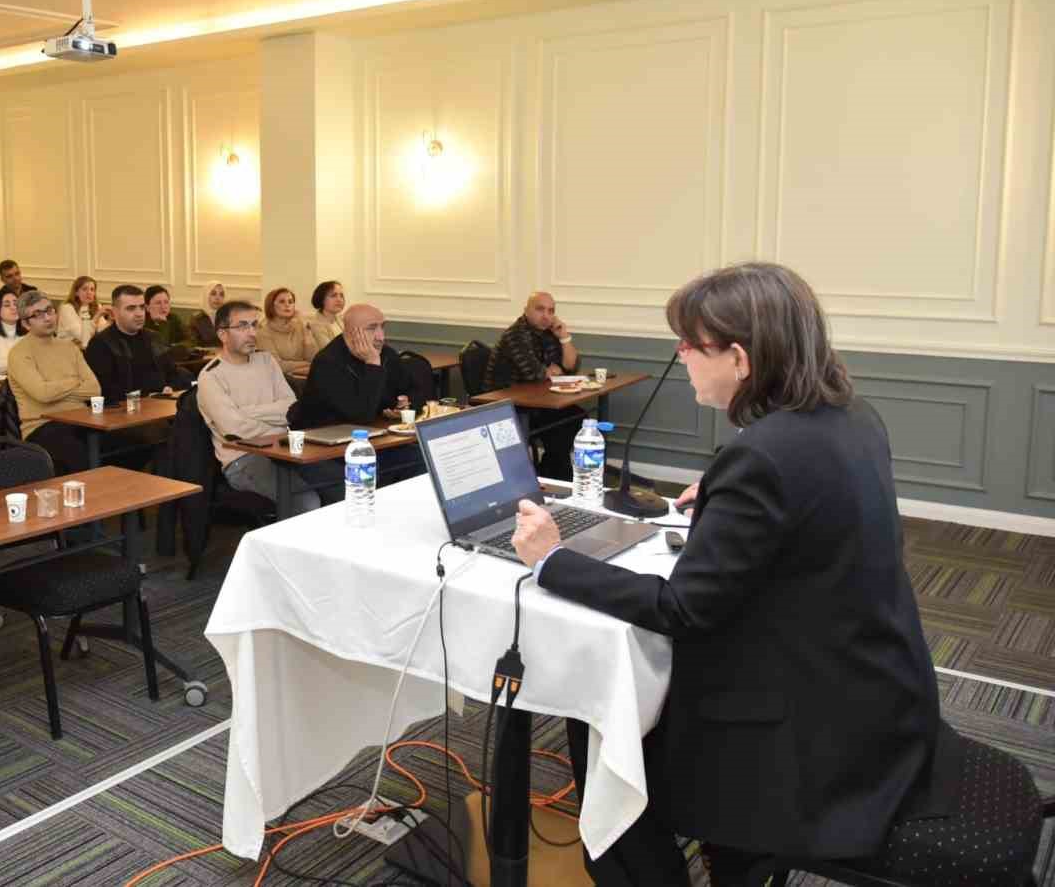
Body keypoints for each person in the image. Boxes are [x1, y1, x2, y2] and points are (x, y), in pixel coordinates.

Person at [510, 263, 955, 886]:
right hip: (880, 695)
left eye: (690, 344)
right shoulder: (852, 415)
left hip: (812, 737)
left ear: (740, 359)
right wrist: (724, 502)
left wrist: (553, 560)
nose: (681, 355)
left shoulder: (762, 457)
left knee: (606, 734)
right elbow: (810, 518)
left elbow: (682, 611)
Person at [199, 301, 337, 513]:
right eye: (243, 326)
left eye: (255, 325)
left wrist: (247, 412)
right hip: (243, 460)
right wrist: (277, 426)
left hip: (284, 450)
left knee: (339, 485)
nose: (252, 332)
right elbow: (235, 430)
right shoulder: (211, 376)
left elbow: (291, 409)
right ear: (222, 334)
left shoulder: (265, 361)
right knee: (306, 501)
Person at [287, 303, 428, 482]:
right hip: (329, 447)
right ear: (352, 332)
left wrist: (406, 404)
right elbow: (360, 416)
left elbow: (417, 391)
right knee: (378, 471)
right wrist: (372, 365)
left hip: (374, 439)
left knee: (423, 458)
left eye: (382, 327)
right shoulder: (328, 363)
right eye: (372, 328)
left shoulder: (386, 354)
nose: (381, 336)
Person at [483, 291, 583, 479]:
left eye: (551, 311)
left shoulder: (547, 333)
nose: (546, 315)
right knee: (561, 422)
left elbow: (571, 367)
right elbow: (535, 374)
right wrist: (550, 370)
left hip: (535, 401)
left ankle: (552, 468)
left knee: (575, 416)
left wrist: (564, 337)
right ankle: (554, 471)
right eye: (540, 309)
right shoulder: (515, 335)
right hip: (508, 404)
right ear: (526, 310)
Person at [5, 290, 101, 475]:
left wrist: (56, 385)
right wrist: (74, 381)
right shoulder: (19, 353)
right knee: (76, 450)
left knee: (130, 440)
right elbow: (43, 394)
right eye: (38, 315)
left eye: (49, 310)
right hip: (42, 427)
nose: (47, 318)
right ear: (25, 323)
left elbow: (94, 389)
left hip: (82, 420)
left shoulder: (69, 346)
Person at [84, 285, 191, 406]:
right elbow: (104, 390)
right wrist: (146, 395)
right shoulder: (101, 344)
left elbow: (172, 372)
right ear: (114, 312)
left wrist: (170, 387)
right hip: (124, 412)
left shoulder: (153, 338)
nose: (139, 314)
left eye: (141, 307)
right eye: (131, 308)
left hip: (161, 406)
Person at [255, 287, 320, 377]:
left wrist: (306, 331)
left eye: (290, 302)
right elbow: (276, 365)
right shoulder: (263, 333)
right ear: (271, 306)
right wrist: (307, 364)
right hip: (281, 380)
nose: (287, 305)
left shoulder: (299, 326)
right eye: (282, 302)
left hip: (306, 377)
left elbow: (314, 358)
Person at [0, 261, 37, 327]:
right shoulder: (0, 297)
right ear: (2, 279)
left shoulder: (32, 292)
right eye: (9, 276)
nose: (15, 278)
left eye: (17, 273)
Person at [57, 275, 111, 349]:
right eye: (84, 289)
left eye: (92, 289)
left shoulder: (97, 306)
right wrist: (97, 316)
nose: (89, 293)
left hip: (87, 348)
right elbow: (83, 337)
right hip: (67, 349)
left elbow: (102, 331)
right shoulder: (67, 308)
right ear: (76, 292)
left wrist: (110, 321)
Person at [142, 284, 193, 351]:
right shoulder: (142, 323)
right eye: (158, 303)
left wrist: (174, 347)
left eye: (166, 302)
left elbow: (191, 341)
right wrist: (163, 324)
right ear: (147, 307)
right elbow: (160, 349)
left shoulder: (174, 318)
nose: (163, 307)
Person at [306, 280, 346, 352]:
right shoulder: (316, 324)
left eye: (341, 296)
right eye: (333, 295)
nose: (339, 299)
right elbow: (331, 352)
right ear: (321, 299)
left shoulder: (342, 320)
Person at [189, 282, 226, 347]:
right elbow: (192, 345)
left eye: (221, 294)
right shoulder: (197, 318)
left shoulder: (228, 317)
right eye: (213, 294)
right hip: (204, 355)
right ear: (206, 295)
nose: (218, 298)